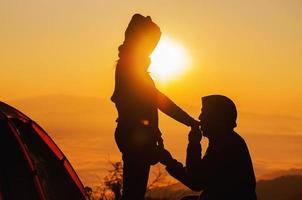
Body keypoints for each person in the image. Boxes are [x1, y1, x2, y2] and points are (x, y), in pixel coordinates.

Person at [111, 14, 199, 200]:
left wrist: (154, 134)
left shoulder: (131, 67)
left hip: (136, 136)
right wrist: (188, 121)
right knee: (134, 194)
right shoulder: (131, 68)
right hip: (135, 138)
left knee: (134, 193)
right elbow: (156, 101)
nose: (152, 49)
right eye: (150, 43)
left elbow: (148, 105)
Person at [160, 95, 257, 200]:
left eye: (204, 113)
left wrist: (194, 143)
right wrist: (169, 162)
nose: (200, 117)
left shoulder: (225, 145)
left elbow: (195, 181)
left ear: (216, 118)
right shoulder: (226, 140)